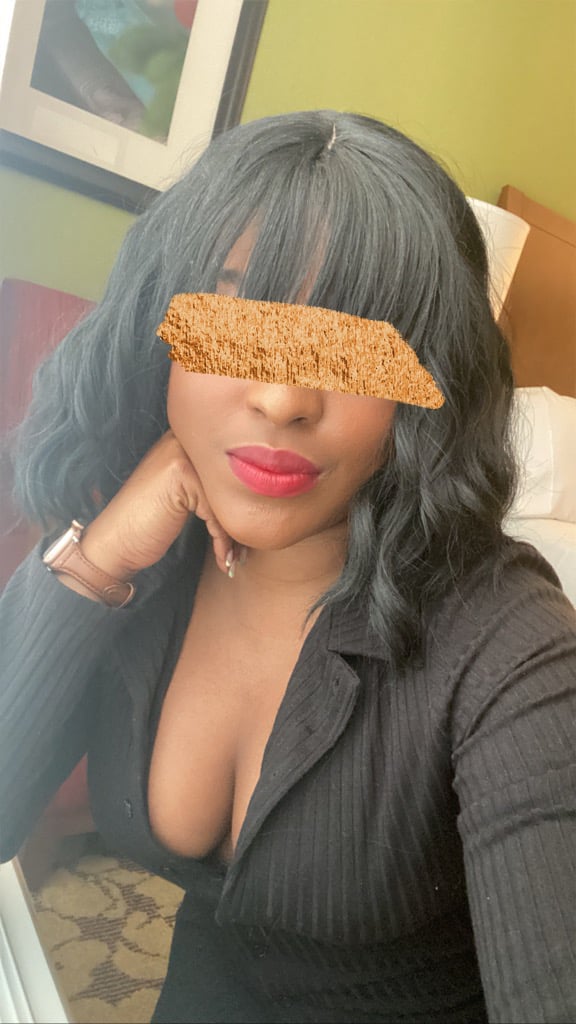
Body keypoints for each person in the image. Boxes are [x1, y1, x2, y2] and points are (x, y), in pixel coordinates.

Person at [1, 110, 575, 1024]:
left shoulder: (511, 645)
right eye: (237, 325)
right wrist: (100, 556)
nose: (282, 396)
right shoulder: (151, 555)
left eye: (355, 348)